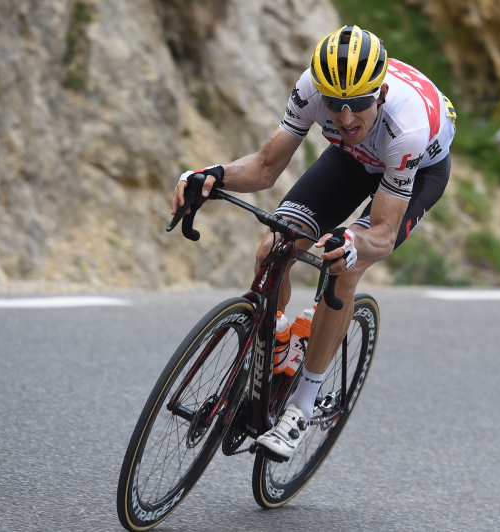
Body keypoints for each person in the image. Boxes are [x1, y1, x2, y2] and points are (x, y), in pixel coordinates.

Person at [172, 25, 456, 460]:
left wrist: (354, 243)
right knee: (273, 248)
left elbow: (382, 232)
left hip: (414, 172)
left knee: (345, 264)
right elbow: (265, 166)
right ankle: (281, 343)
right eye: (335, 105)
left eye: (358, 104)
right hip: (352, 158)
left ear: (380, 93)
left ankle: (301, 407)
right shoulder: (310, 89)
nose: (346, 118)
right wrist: (212, 176)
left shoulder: (409, 128)